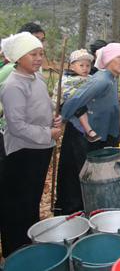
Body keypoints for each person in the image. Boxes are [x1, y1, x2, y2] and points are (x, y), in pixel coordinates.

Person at [0, 32, 62, 256]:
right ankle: (15, 250)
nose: (38, 58)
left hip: (40, 149)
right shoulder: (13, 86)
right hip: (22, 152)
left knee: (31, 199)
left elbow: (41, 109)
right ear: (18, 57)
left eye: (41, 54)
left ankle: (30, 240)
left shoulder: (37, 78)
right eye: (33, 54)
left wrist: (54, 120)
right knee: (17, 203)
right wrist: (48, 133)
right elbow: (17, 127)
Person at [55, 43, 120, 215]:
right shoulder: (101, 80)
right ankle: (73, 214)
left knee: (86, 175)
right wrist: (63, 118)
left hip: (96, 136)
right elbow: (74, 101)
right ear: (109, 58)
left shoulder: (111, 78)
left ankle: (85, 211)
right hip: (81, 136)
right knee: (78, 176)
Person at [52, 49, 100, 142]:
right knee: (80, 107)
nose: (85, 68)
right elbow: (66, 93)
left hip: (79, 101)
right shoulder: (68, 79)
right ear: (72, 66)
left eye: (88, 65)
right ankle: (88, 130)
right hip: (65, 103)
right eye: (81, 65)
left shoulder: (89, 78)